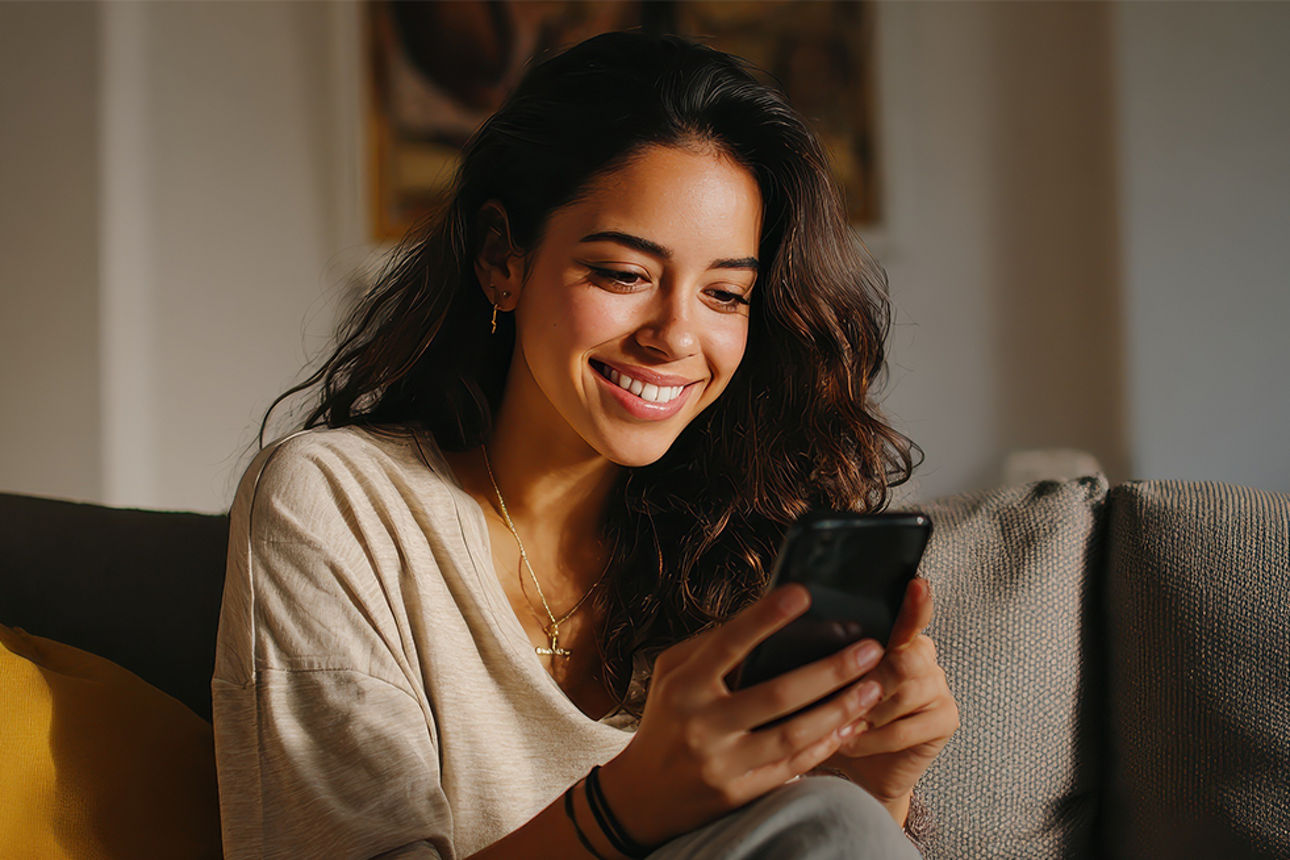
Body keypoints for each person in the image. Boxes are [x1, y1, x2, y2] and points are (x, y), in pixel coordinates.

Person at [212, 29, 958, 860]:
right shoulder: (341, 501)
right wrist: (620, 807)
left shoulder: (750, 547)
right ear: (503, 260)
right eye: (623, 274)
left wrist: (873, 789)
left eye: (725, 293)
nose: (676, 336)